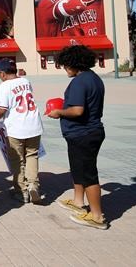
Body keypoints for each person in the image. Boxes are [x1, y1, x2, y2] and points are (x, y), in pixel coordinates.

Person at [47, 45, 108, 230]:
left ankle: (97, 216)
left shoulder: (80, 82)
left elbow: (77, 110)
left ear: (74, 64)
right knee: (78, 169)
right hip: (86, 132)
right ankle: (78, 201)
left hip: (84, 134)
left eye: (65, 65)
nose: (65, 69)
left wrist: (58, 112)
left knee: (88, 174)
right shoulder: (94, 78)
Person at [0, 58, 44, 204]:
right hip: (34, 125)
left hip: (16, 128)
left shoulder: (4, 86)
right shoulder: (26, 82)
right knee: (32, 155)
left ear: (2, 73)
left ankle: (22, 192)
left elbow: (2, 110)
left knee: (17, 160)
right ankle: (34, 185)